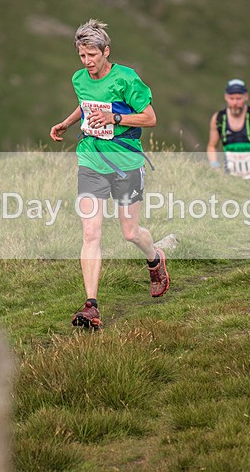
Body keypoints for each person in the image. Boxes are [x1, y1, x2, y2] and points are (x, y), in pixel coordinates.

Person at [50, 19, 170, 330]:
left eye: (92, 55)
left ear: (106, 51)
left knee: (130, 232)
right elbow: (85, 106)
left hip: (126, 164)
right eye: (82, 56)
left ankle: (155, 260)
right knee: (91, 233)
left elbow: (150, 118)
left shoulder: (127, 79)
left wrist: (115, 117)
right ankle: (91, 305)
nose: (87, 62)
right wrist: (66, 123)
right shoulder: (79, 79)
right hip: (90, 161)